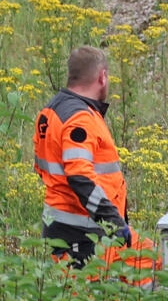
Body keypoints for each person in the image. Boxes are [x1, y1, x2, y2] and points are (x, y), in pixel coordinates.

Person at [33, 46, 130, 265]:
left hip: (59, 227)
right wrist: (113, 221)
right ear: (102, 77)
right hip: (84, 236)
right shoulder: (81, 119)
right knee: (83, 297)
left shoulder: (49, 112)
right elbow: (80, 177)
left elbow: (44, 170)